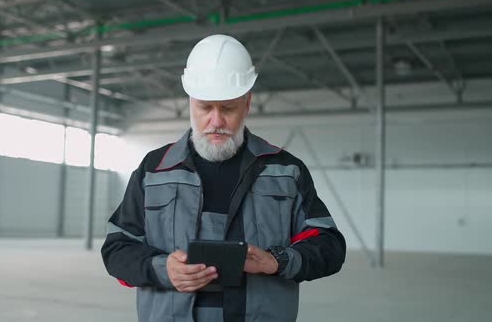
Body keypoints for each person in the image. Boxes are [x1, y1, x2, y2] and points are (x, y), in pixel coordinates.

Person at [101, 34, 346, 322]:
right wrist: (162, 268)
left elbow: (329, 245)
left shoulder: (285, 171)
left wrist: (275, 261)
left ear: (247, 102)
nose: (216, 121)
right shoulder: (155, 170)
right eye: (205, 107)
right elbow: (118, 248)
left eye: (228, 108)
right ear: (191, 102)